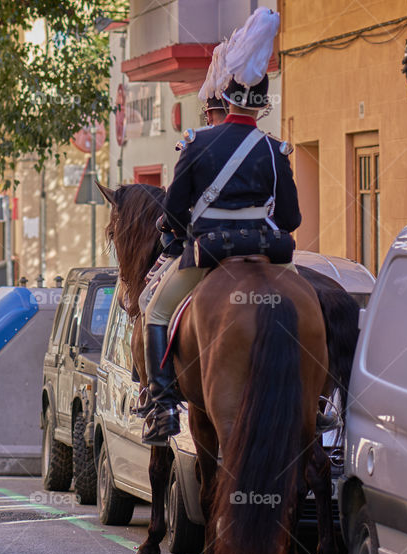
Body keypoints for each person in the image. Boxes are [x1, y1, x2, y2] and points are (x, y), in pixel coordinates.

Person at [140, 8, 301, 446]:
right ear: (263, 105)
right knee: (311, 311)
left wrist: (175, 230)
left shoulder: (197, 142)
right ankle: (320, 404)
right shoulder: (274, 150)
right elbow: (291, 220)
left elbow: (174, 214)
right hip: (270, 254)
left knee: (154, 310)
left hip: (207, 255)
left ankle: (163, 405)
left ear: (223, 98)